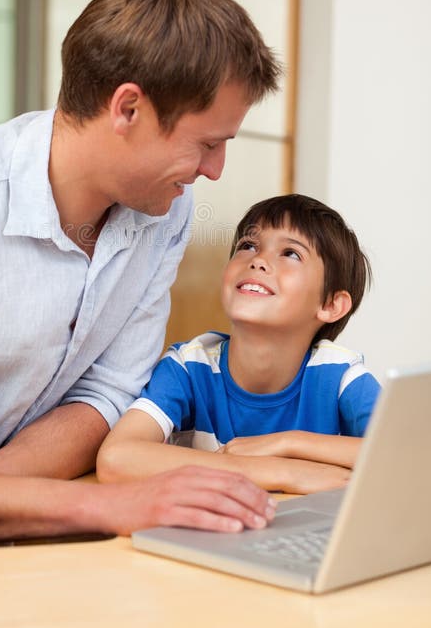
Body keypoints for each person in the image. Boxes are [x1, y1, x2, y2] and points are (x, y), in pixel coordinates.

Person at [0, 0, 282, 553]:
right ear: (128, 108)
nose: (215, 169)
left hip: (14, 535)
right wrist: (112, 506)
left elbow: (107, 393)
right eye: (207, 143)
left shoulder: (166, 211)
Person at [97, 194, 381, 493]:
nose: (258, 260)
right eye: (248, 246)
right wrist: (280, 470)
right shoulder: (190, 367)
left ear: (331, 304)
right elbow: (117, 459)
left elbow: (410, 454)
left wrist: (286, 442)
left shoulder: (339, 376)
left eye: (291, 253)